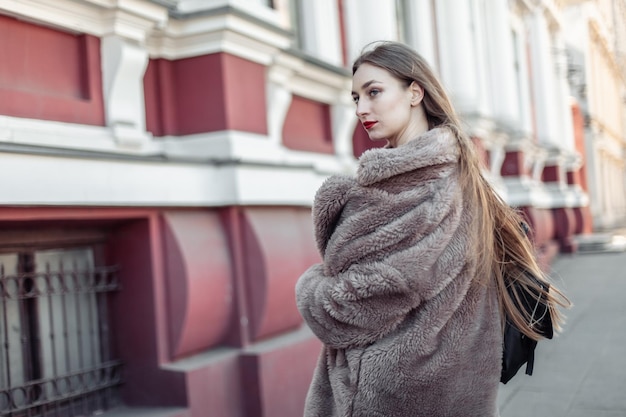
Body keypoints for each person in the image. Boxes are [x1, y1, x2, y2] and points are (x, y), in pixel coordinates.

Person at [295, 41, 570, 417]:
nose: (361, 109)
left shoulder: (416, 188)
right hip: (441, 390)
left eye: (374, 92)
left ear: (414, 92)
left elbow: (355, 306)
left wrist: (311, 288)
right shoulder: (455, 172)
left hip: (393, 398)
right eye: (356, 97)